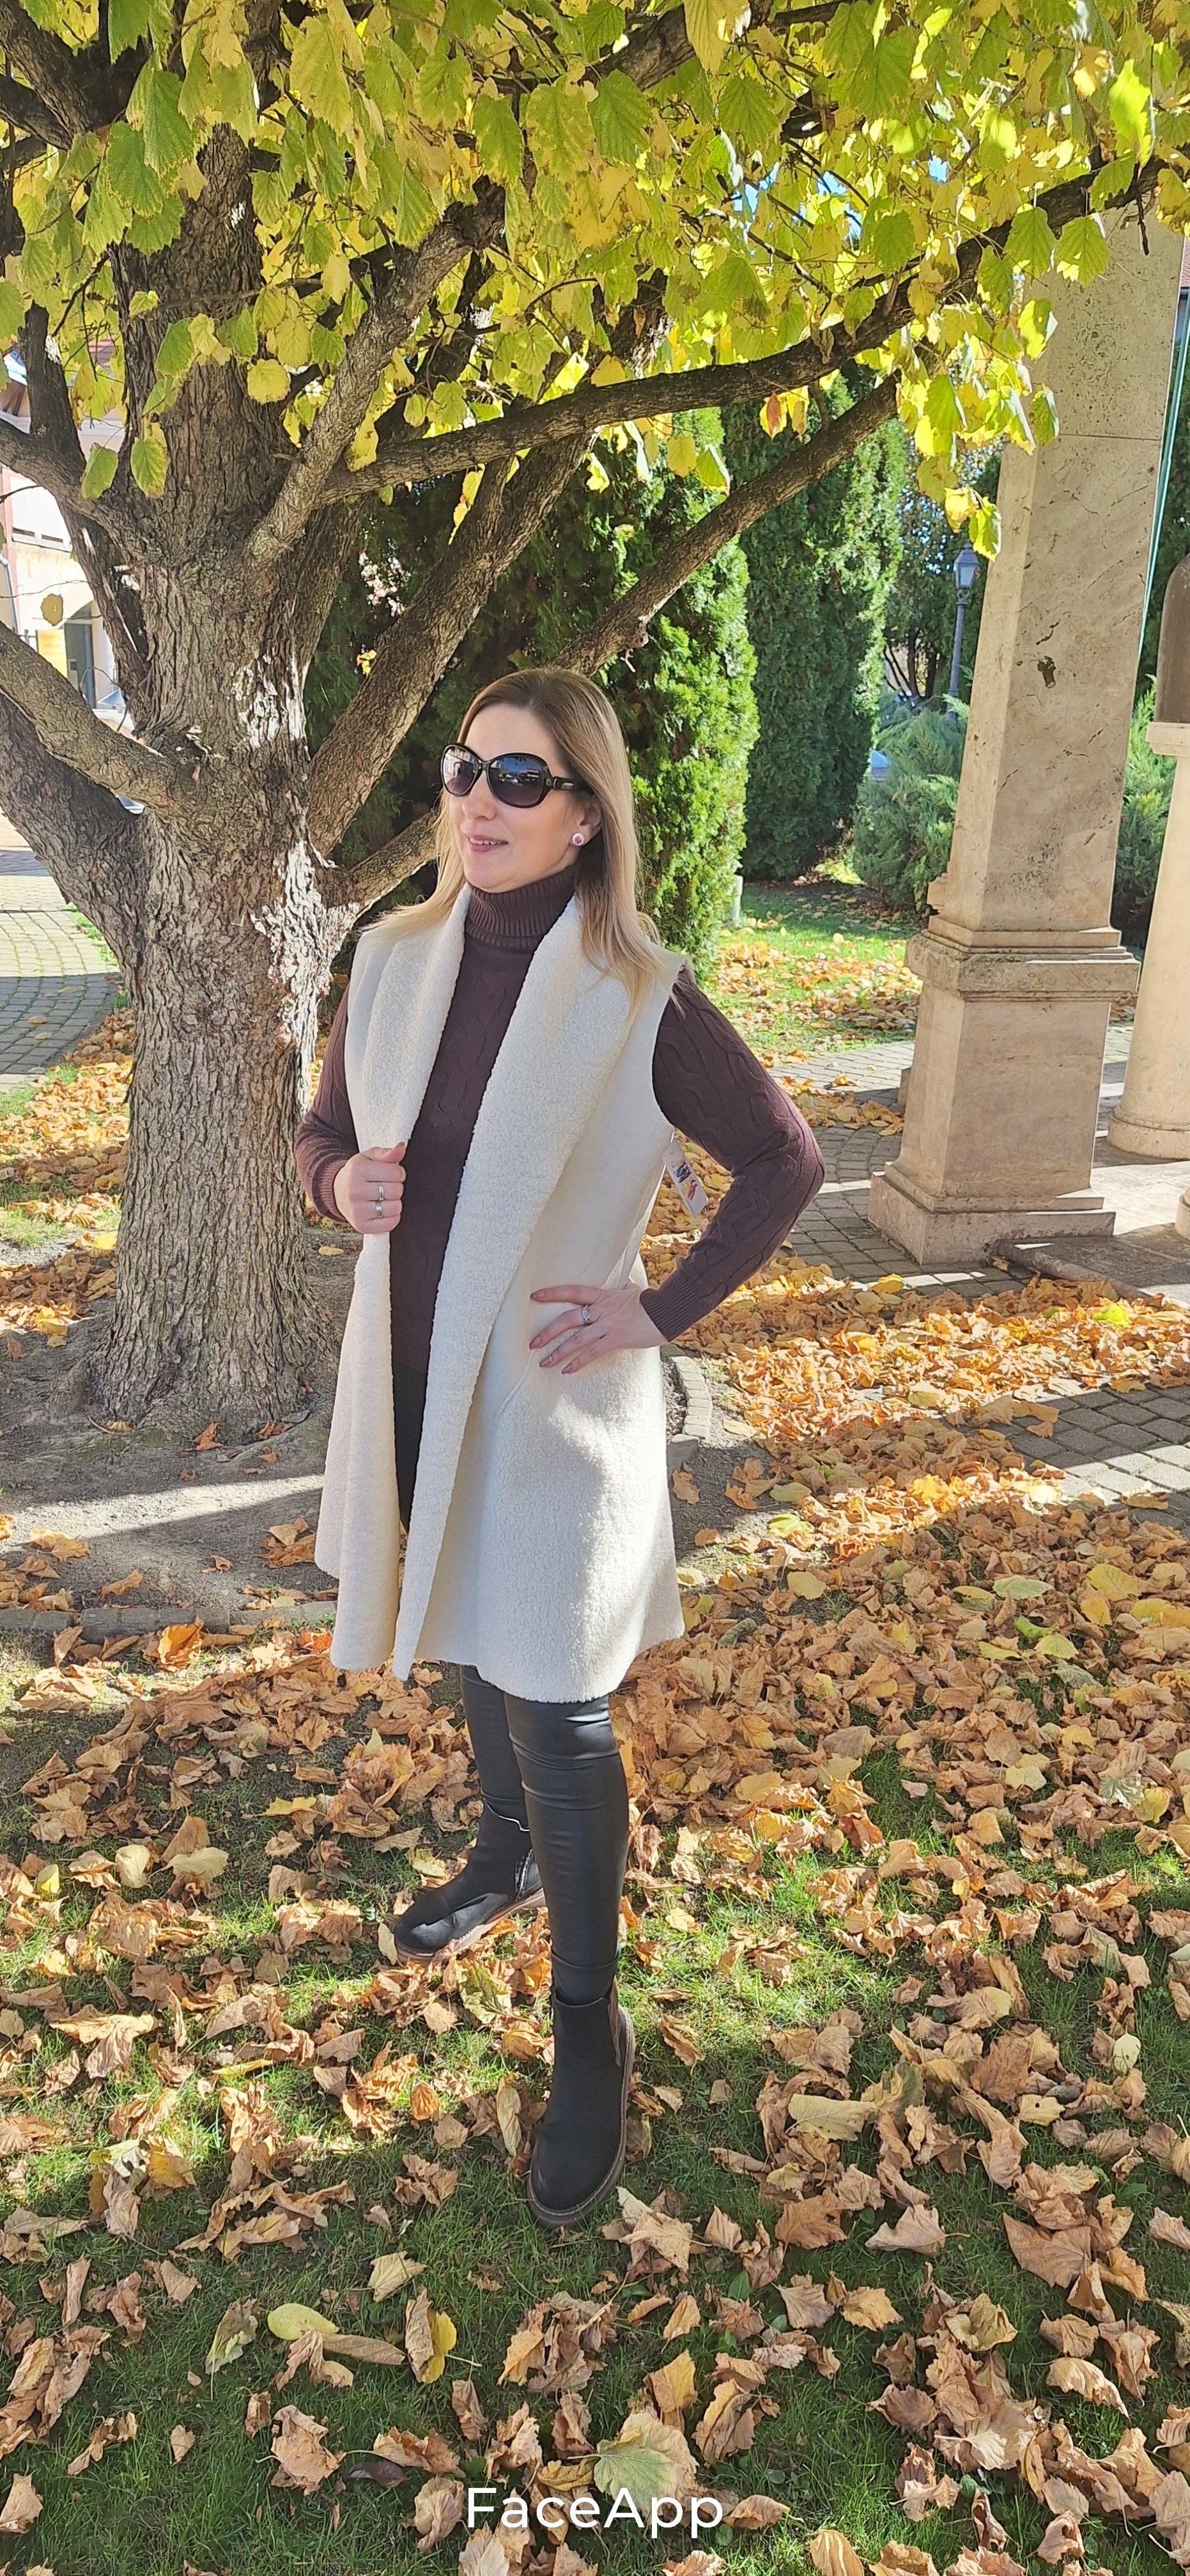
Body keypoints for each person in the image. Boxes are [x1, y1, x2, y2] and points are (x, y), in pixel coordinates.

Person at [296, 666, 824, 2232]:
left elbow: (785, 1161)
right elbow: (321, 1135)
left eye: (519, 780)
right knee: (474, 1633)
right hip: (412, 1380)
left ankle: (587, 2030)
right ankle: (499, 1856)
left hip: (550, 1404)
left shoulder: (637, 996)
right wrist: (336, 1188)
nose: (479, 801)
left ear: (587, 816)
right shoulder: (394, 959)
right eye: (464, 771)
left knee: (561, 1702)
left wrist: (655, 1309)